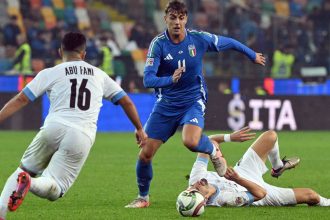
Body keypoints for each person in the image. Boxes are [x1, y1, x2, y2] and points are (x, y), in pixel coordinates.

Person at [125, 0, 266, 208]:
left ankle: (212, 149)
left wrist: (252, 55)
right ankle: (143, 197)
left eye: (181, 18)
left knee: (190, 142)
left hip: (193, 100)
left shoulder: (198, 39)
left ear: (186, 19)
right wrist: (170, 80)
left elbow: (230, 42)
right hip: (166, 104)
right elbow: (148, 80)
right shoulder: (158, 44)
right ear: (165, 19)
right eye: (172, 18)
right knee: (145, 153)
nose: (177, 22)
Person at [0, 32, 148, 220]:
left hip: (53, 127)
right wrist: (139, 128)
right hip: (81, 134)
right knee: (55, 188)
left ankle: (2, 211)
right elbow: (126, 101)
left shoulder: (50, 73)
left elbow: (22, 98)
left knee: (23, 169)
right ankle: (30, 183)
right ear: (84, 54)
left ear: (60, 51)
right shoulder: (100, 75)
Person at [186, 129, 330, 207]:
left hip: (244, 170)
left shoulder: (196, 177)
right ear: (205, 199)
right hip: (258, 190)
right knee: (311, 195)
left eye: (191, 187)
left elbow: (208, 141)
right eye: (196, 189)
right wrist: (238, 179)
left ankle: (278, 167)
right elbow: (260, 193)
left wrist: (230, 137)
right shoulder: (226, 199)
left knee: (270, 136)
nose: (196, 184)